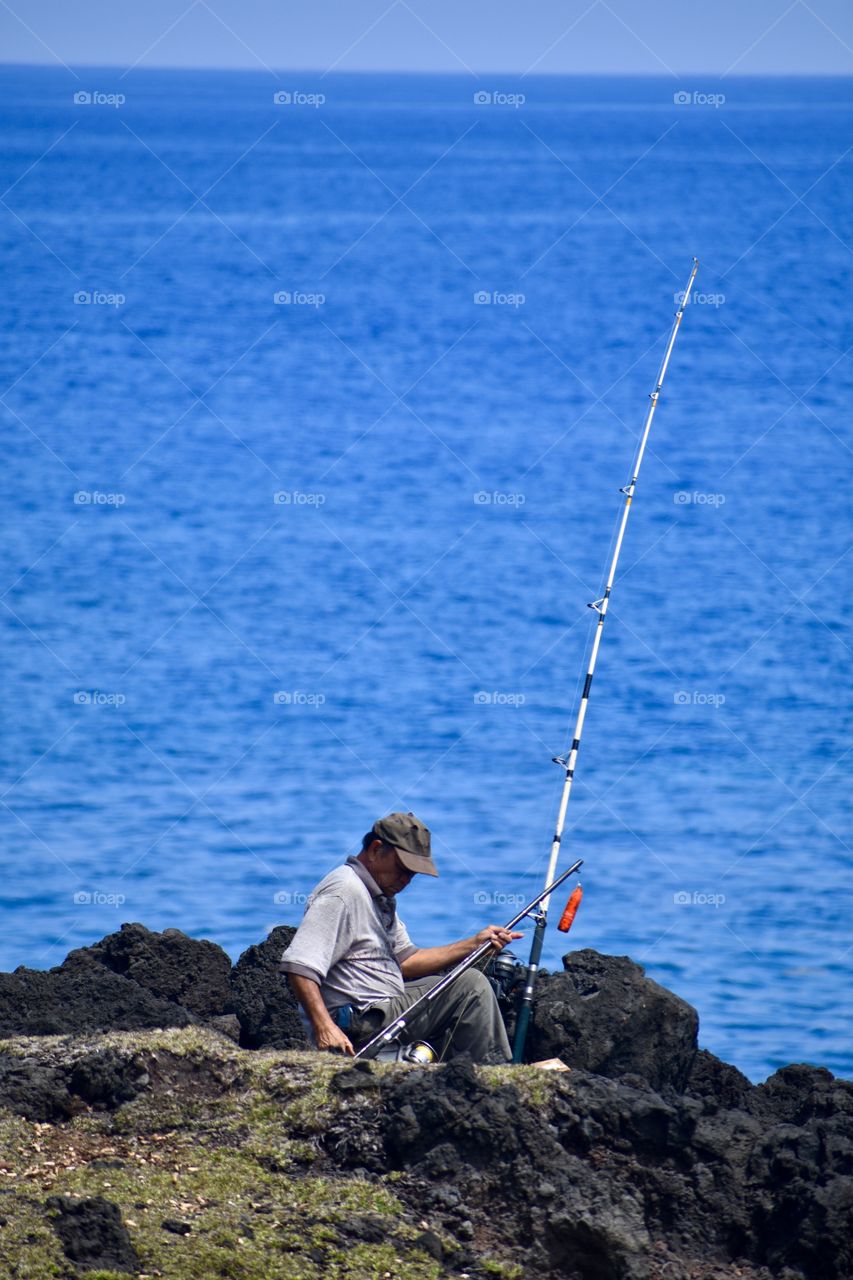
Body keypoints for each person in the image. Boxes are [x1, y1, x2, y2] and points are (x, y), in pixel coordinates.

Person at [279, 811, 522, 1063]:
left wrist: (474, 945)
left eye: (412, 874)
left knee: (459, 979)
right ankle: (495, 1075)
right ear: (375, 849)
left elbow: (407, 961)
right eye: (402, 869)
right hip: (359, 1018)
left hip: (382, 1009)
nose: (406, 880)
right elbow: (300, 965)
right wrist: (324, 1028)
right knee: (470, 986)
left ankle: (459, 1077)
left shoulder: (378, 895)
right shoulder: (344, 890)